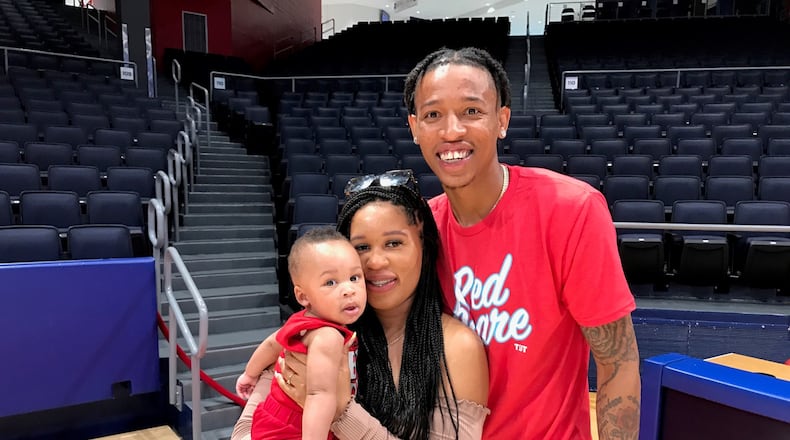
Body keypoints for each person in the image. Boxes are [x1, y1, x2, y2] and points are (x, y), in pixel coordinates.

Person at [404, 47, 641, 439]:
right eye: (433, 115)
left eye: (471, 111)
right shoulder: (418, 230)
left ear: (502, 120)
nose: (451, 131)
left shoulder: (571, 210)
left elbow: (618, 363)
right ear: (415, 127)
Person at [231, 174, 489, 440]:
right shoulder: (320, 327)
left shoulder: (456, 347)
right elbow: (247, 429)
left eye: (393, 243)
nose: (375, 262)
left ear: (424, 246)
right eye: (362, 247)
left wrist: (343, 411)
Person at [236, 227, 367, 440]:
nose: (349, 290)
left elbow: (271, 344)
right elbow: (319, 396)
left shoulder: (302, 320)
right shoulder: (328, 336)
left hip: (272, 417)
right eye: (330, 282)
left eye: (354, 277)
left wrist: (249, 375)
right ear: (302, 295)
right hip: (295, 429)